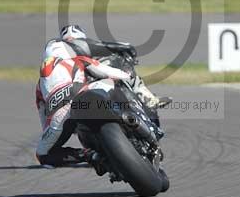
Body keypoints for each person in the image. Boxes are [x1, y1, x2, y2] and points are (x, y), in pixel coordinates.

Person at [34, 24, 169, 168]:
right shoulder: (72, 54)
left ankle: (88, 155)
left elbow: (44, 117)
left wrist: (52, 131)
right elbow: (107, 71)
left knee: (43, 155)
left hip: (60, 117)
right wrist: (123, 49)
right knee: (116, 76)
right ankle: (144, 103)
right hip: (83, 94)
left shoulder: (40, 84)